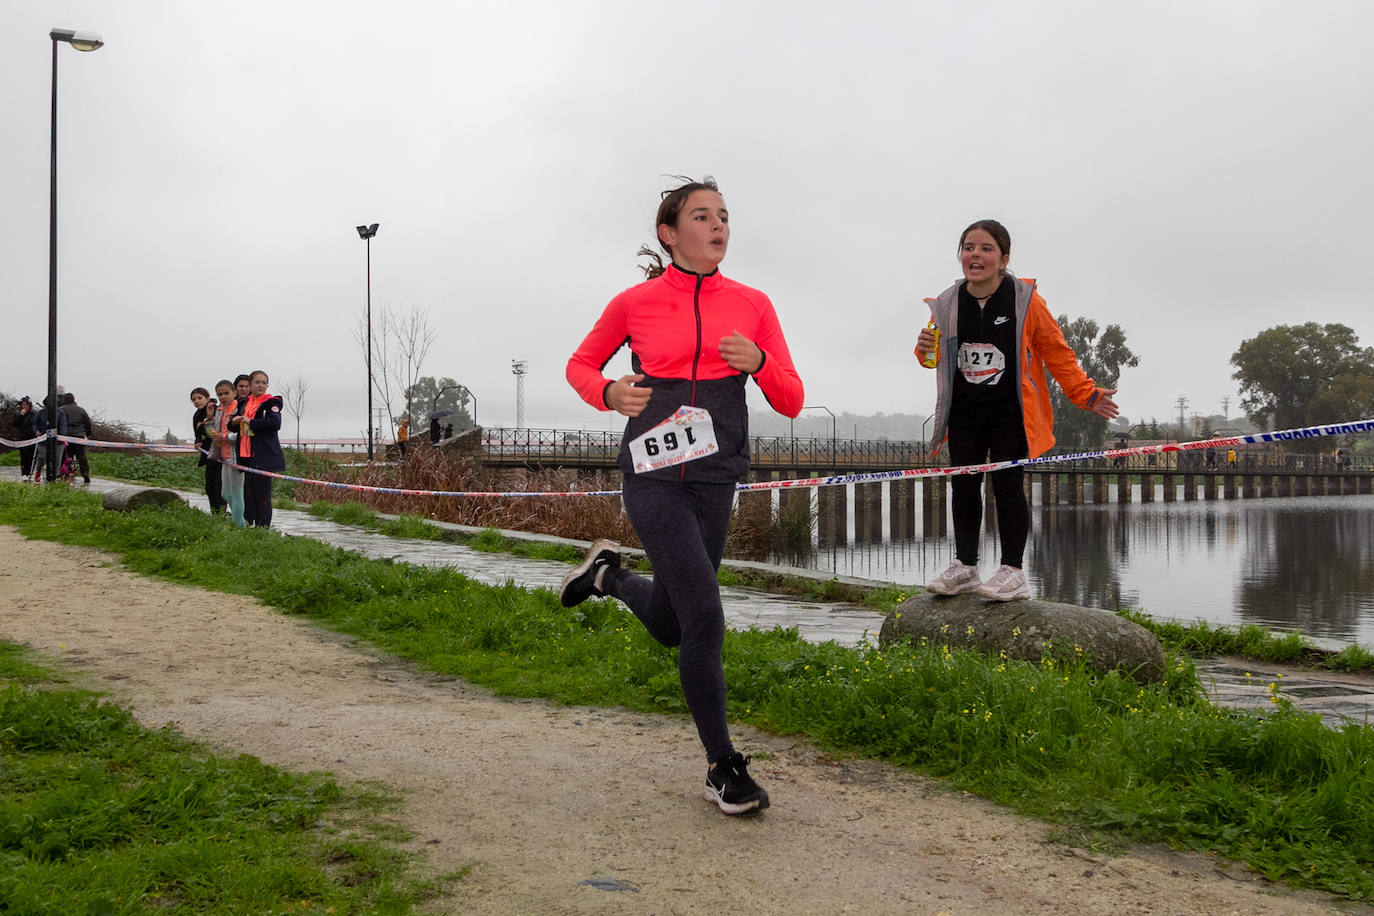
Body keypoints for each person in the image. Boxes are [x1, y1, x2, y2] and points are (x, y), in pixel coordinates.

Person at [563, 176, 804, 815]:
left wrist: (758, 362)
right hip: (654, 475)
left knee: (673, 625)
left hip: (715, 475)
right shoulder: (635, 303)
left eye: (724, 216)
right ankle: (723, 767)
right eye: (703, 216)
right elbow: (580, 365)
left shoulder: (753, 304)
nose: (718, 226)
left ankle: (607, 577)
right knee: (705, 617)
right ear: (670, 234)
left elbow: (792, 398)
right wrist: (610, 393)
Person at [915, 219, 1118, 602]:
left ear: (1004, 258)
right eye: (968, 247)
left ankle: (1013, 570)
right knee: (963, 485)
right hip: (965, 412)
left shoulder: (1025, 300)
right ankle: (966, 567)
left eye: (986, 248)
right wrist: (924, 346)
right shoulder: (948, 303)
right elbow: (932, 357)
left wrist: (1085, 394)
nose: (975, 255)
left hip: (1011, 412)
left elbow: (1058, 353)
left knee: (1008, 486)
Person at [233, 370, 285, 527]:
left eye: (264, 382)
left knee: (263, 495)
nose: (261, 385)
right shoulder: (243, 402)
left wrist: (251, 422)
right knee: (249, 493)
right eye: (257, 382)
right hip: (245, 454)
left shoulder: (272, 403)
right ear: (250, 385)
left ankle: (263, 528)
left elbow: (275, 424)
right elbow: (234, 425)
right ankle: (252, 524)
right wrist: (234, 422)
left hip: (263, 455)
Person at [209, 379, 247, 527]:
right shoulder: (220, 410)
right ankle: (241, 521)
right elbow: (213, 432)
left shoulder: (240, 409)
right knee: (225, 493)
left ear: (234, 393)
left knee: (236, 493)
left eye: (226, 393)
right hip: (224, 456)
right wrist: (209, 420)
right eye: (220, 394)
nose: (223, 397)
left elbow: (246, 435)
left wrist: (224, 437)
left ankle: (239, 526)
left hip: (237, 457)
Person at [190, 387, 226, 514]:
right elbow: (197, 434)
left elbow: (215, 432)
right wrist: (198, 441)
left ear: (207, 397)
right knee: (209, 486)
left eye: (200, 398)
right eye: (194, 399)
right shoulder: (196, 415)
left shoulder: (215, 410)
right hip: (207, 453)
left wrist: (208, 420)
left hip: (219, 451)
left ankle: (221, 513)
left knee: (218, 486)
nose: (197, 401)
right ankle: (214, 513)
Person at [59, 392, 93, 485]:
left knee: (67, 456)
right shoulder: (81, 410)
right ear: (74, 399)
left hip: (67, 436)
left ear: (64, 400)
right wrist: (88, 433)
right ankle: (85, 474)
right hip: (79, 436)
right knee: (81, 455)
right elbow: (87, 423)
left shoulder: (61, 410)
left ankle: (68, 473)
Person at [6, 397, 37, 480]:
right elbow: (15, 424)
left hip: (32, 438)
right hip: (22, 438)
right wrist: (21, 416)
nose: (24, 406)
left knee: (32, 456)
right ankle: (24, 473)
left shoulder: (34, 414)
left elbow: (36, 423)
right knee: (24, 456)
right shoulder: (18, 413)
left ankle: (30, 472)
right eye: (23, 404)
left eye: (26, 404)